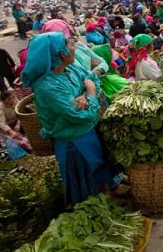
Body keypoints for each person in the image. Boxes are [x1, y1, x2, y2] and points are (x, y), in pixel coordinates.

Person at [21, 32, 113, 205]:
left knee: (99, 168)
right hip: (73, 141)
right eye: (70, 44)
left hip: (89, 132)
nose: (75, 46)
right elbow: (80, 115)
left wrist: (85, 95)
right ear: (61, 53)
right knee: (85, 181)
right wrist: (91, 93)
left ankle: (106, 197)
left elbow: (92, 78)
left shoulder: (70, 69)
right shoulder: (48, 87)